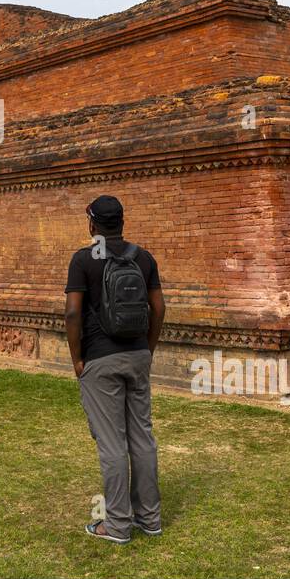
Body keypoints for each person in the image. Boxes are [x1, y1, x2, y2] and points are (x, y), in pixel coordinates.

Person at [64, 194, 166, 543]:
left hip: (100, 360)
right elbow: (159, 307)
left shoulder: (83, 260)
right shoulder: (144, 258)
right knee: (142, 438)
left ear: (92, 224)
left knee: (111, 444)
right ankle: (149, 519)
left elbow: (73, 313)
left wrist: (78, 359)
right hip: (137, 355)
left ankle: (118, 525)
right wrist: (147, 350)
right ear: (122, 222)